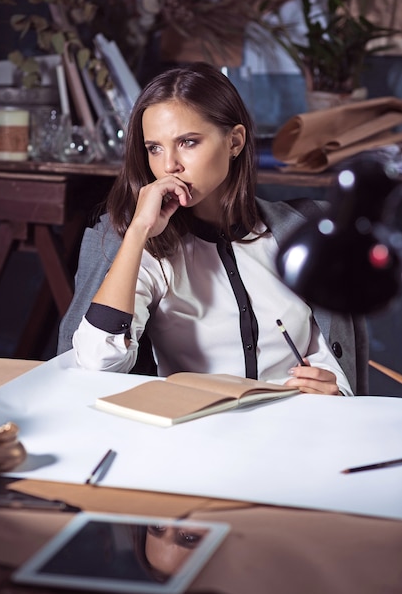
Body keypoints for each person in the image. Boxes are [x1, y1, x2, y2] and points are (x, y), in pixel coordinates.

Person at [60, 62, 368, 395]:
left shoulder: (300, 231)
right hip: (193, 434)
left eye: (188, 142)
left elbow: (332, 359)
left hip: (294, 431)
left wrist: (333, 391)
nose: (168, 165)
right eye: (154, 148)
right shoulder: (147, 249)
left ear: (234, 141)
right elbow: (95, 362)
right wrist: (137, 233)